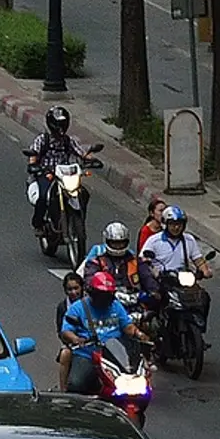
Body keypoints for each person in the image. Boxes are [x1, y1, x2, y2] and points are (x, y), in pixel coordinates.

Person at [58, 271, 151, 392]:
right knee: (77, 384)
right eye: (101, 295)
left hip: (115, 354)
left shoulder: (116, 306)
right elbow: (66, 331)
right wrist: (76, 339)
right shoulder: (78, 308)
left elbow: (127, 326)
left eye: (107, 295)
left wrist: (139, 334)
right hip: (88, 355)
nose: (104, 299)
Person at [25, 105, 88, 233]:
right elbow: (34, 154)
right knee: (43, 197)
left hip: (65, 175)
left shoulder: (68, 141)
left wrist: (91, 159)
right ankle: (38, 223)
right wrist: (34, 165)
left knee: (84, 193)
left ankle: (79, 219)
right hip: (46, 174)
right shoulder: (42, 139)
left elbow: (81, 153)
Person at [79, 221, 151, 298]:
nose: (118, 246)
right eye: (114, 243)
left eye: (121, 243)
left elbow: (147, 278)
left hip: (134, 299)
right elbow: (89, 282)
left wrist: (153, 291)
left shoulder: (135, 261)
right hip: (106, 300)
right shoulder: (97, 262)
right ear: (107, 241)